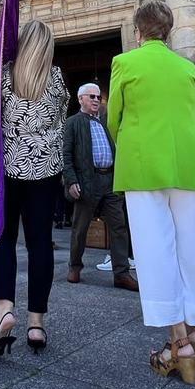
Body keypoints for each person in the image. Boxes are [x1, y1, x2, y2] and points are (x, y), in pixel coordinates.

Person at [108, 1, 195, 385]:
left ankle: (179, 345)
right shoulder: (187, 67)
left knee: (156, 250)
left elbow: (114, 116)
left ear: (138, 32)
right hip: (190, 163)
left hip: (144, 165)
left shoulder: (126, 63)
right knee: (194, 250)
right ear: (168, 32)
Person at [0, 19, 68, 357]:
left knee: (4, 241)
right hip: (45, 170)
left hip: (6, 169)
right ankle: (37, 324)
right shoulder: (57, 77)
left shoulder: (2, 71)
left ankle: (4, 309)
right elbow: (61, 117)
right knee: (40, 245)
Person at [62, 82, 136, 291]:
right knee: (80, 229)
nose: (96, 100)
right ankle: (74, 266)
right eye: (91, 97)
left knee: (119, 227)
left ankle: (121, 273)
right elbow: (66, 155)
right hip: (87, 182)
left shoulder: (104, 124)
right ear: (81, 99)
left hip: (109, 181)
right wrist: (71, 180)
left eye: (98, 97)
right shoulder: (72, 122)